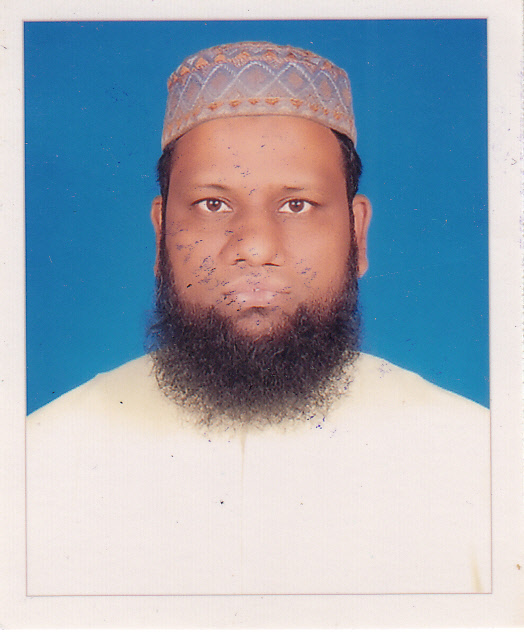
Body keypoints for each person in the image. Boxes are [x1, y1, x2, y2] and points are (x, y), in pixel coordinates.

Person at [26, 41, 490, 596]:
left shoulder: (479, 462)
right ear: (159, 234)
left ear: (358, 233)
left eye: (297, 205)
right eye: (213, 204)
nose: (255, 246)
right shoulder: (38, 463)